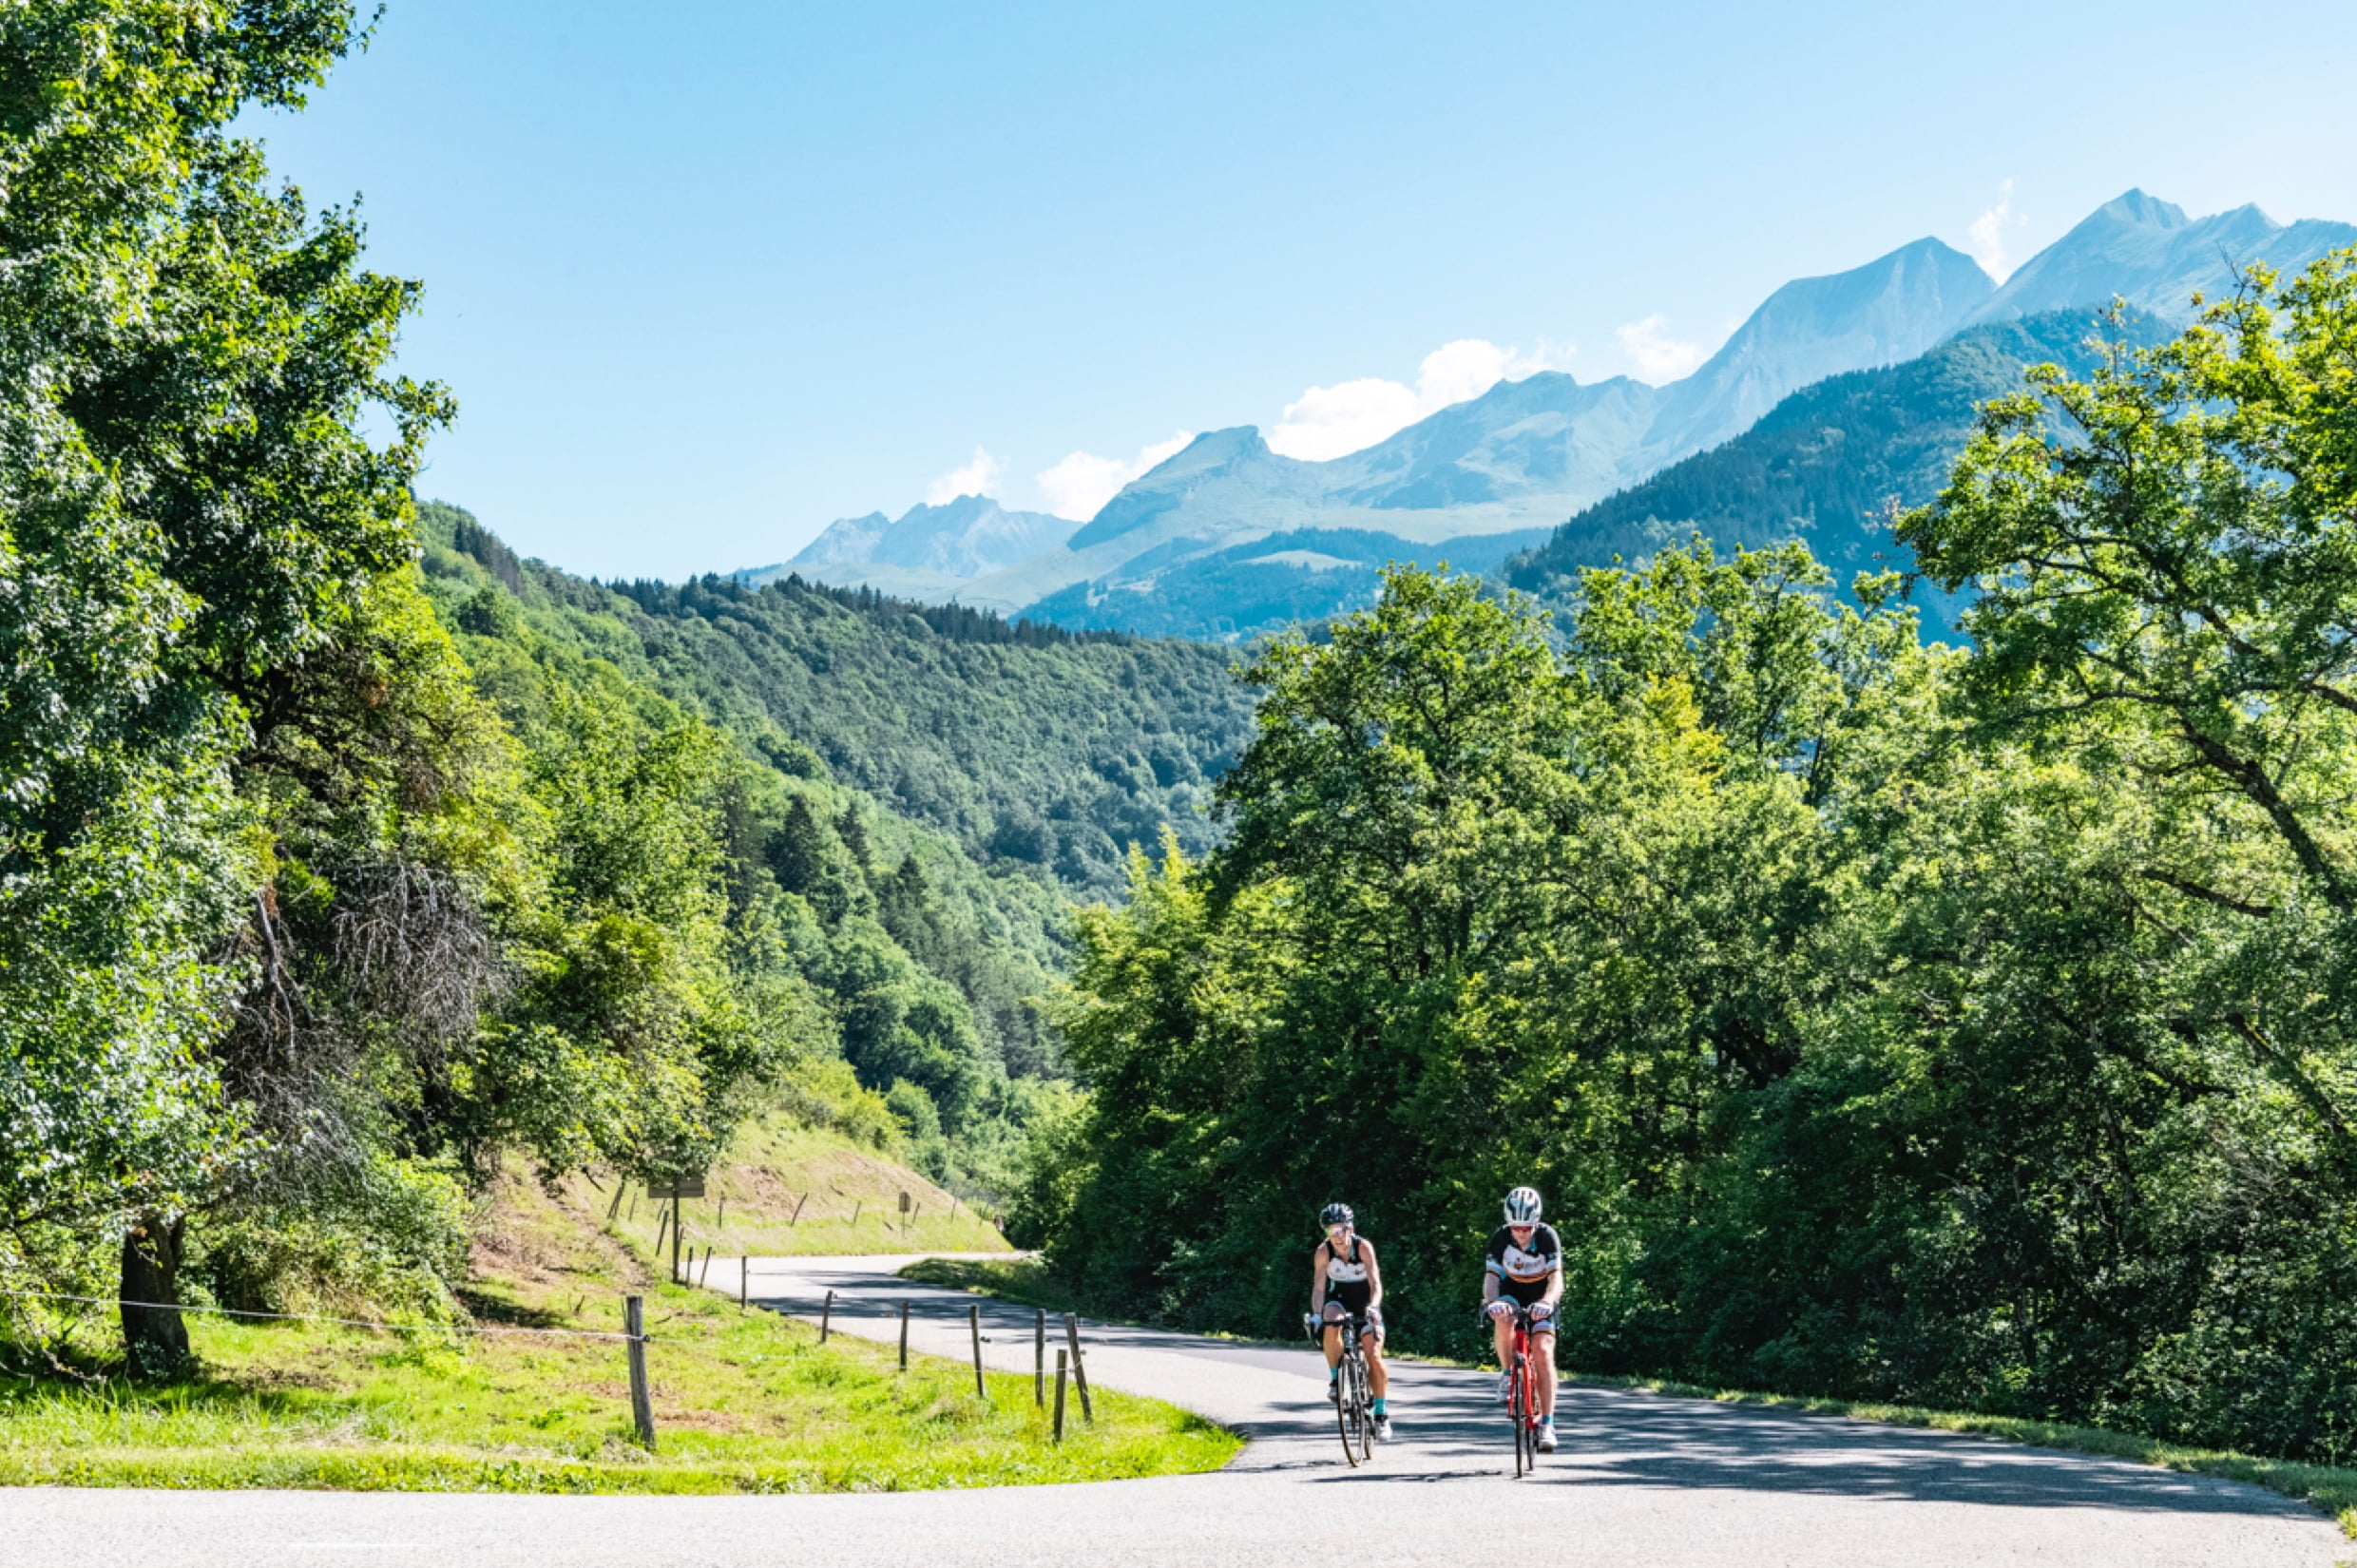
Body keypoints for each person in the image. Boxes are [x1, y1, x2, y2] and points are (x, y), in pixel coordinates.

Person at [1481, 1185, 1562, 1453]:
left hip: (1541, 1296)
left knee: (1542, 1349)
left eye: (1527, 1228)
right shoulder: (1501, 1238)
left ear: (1536, 1223)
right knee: (1503, 1318)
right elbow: (1491, 1278)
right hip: (1512, 1293)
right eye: (1516, 1227)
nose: (1521, 1233)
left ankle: (1547, 1423)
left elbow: (1556, 1279)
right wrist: (1492, 1304)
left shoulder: (1548, 1237)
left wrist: (1548, 1302)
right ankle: (1507, 1374)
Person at [1311, 1202, 1391, 1441]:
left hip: (1365, 1304)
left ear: (1350, 1228)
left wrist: (1374, 1307)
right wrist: (1316, 1314)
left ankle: (1380, 1413)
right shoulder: (1323, 1252)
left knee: (1373, 1354)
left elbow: (1376, 1283)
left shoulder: (1363, 1247)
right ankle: (1336, 1379)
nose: (1335, 1236)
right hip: (1339, 1302)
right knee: (1330, 1320)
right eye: (1330, 1231)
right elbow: (1318, 1288)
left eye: (1339, 1230)